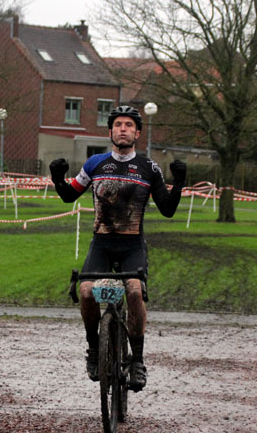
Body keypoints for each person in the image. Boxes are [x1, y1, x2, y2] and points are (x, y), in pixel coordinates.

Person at [49, 105, 186, 392]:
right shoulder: (94, 163)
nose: (123, 129)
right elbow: (68, 195)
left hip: (132, 245)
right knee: (86, 291)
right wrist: (57, 177)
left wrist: (180, 182)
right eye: (118, 124)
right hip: (101, 242)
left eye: (128, 125)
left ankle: (136, 360)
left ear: (137, 132)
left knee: (135, 291)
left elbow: (168, 209)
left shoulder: (149, 168)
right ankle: (93, 350)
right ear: (110, 131)